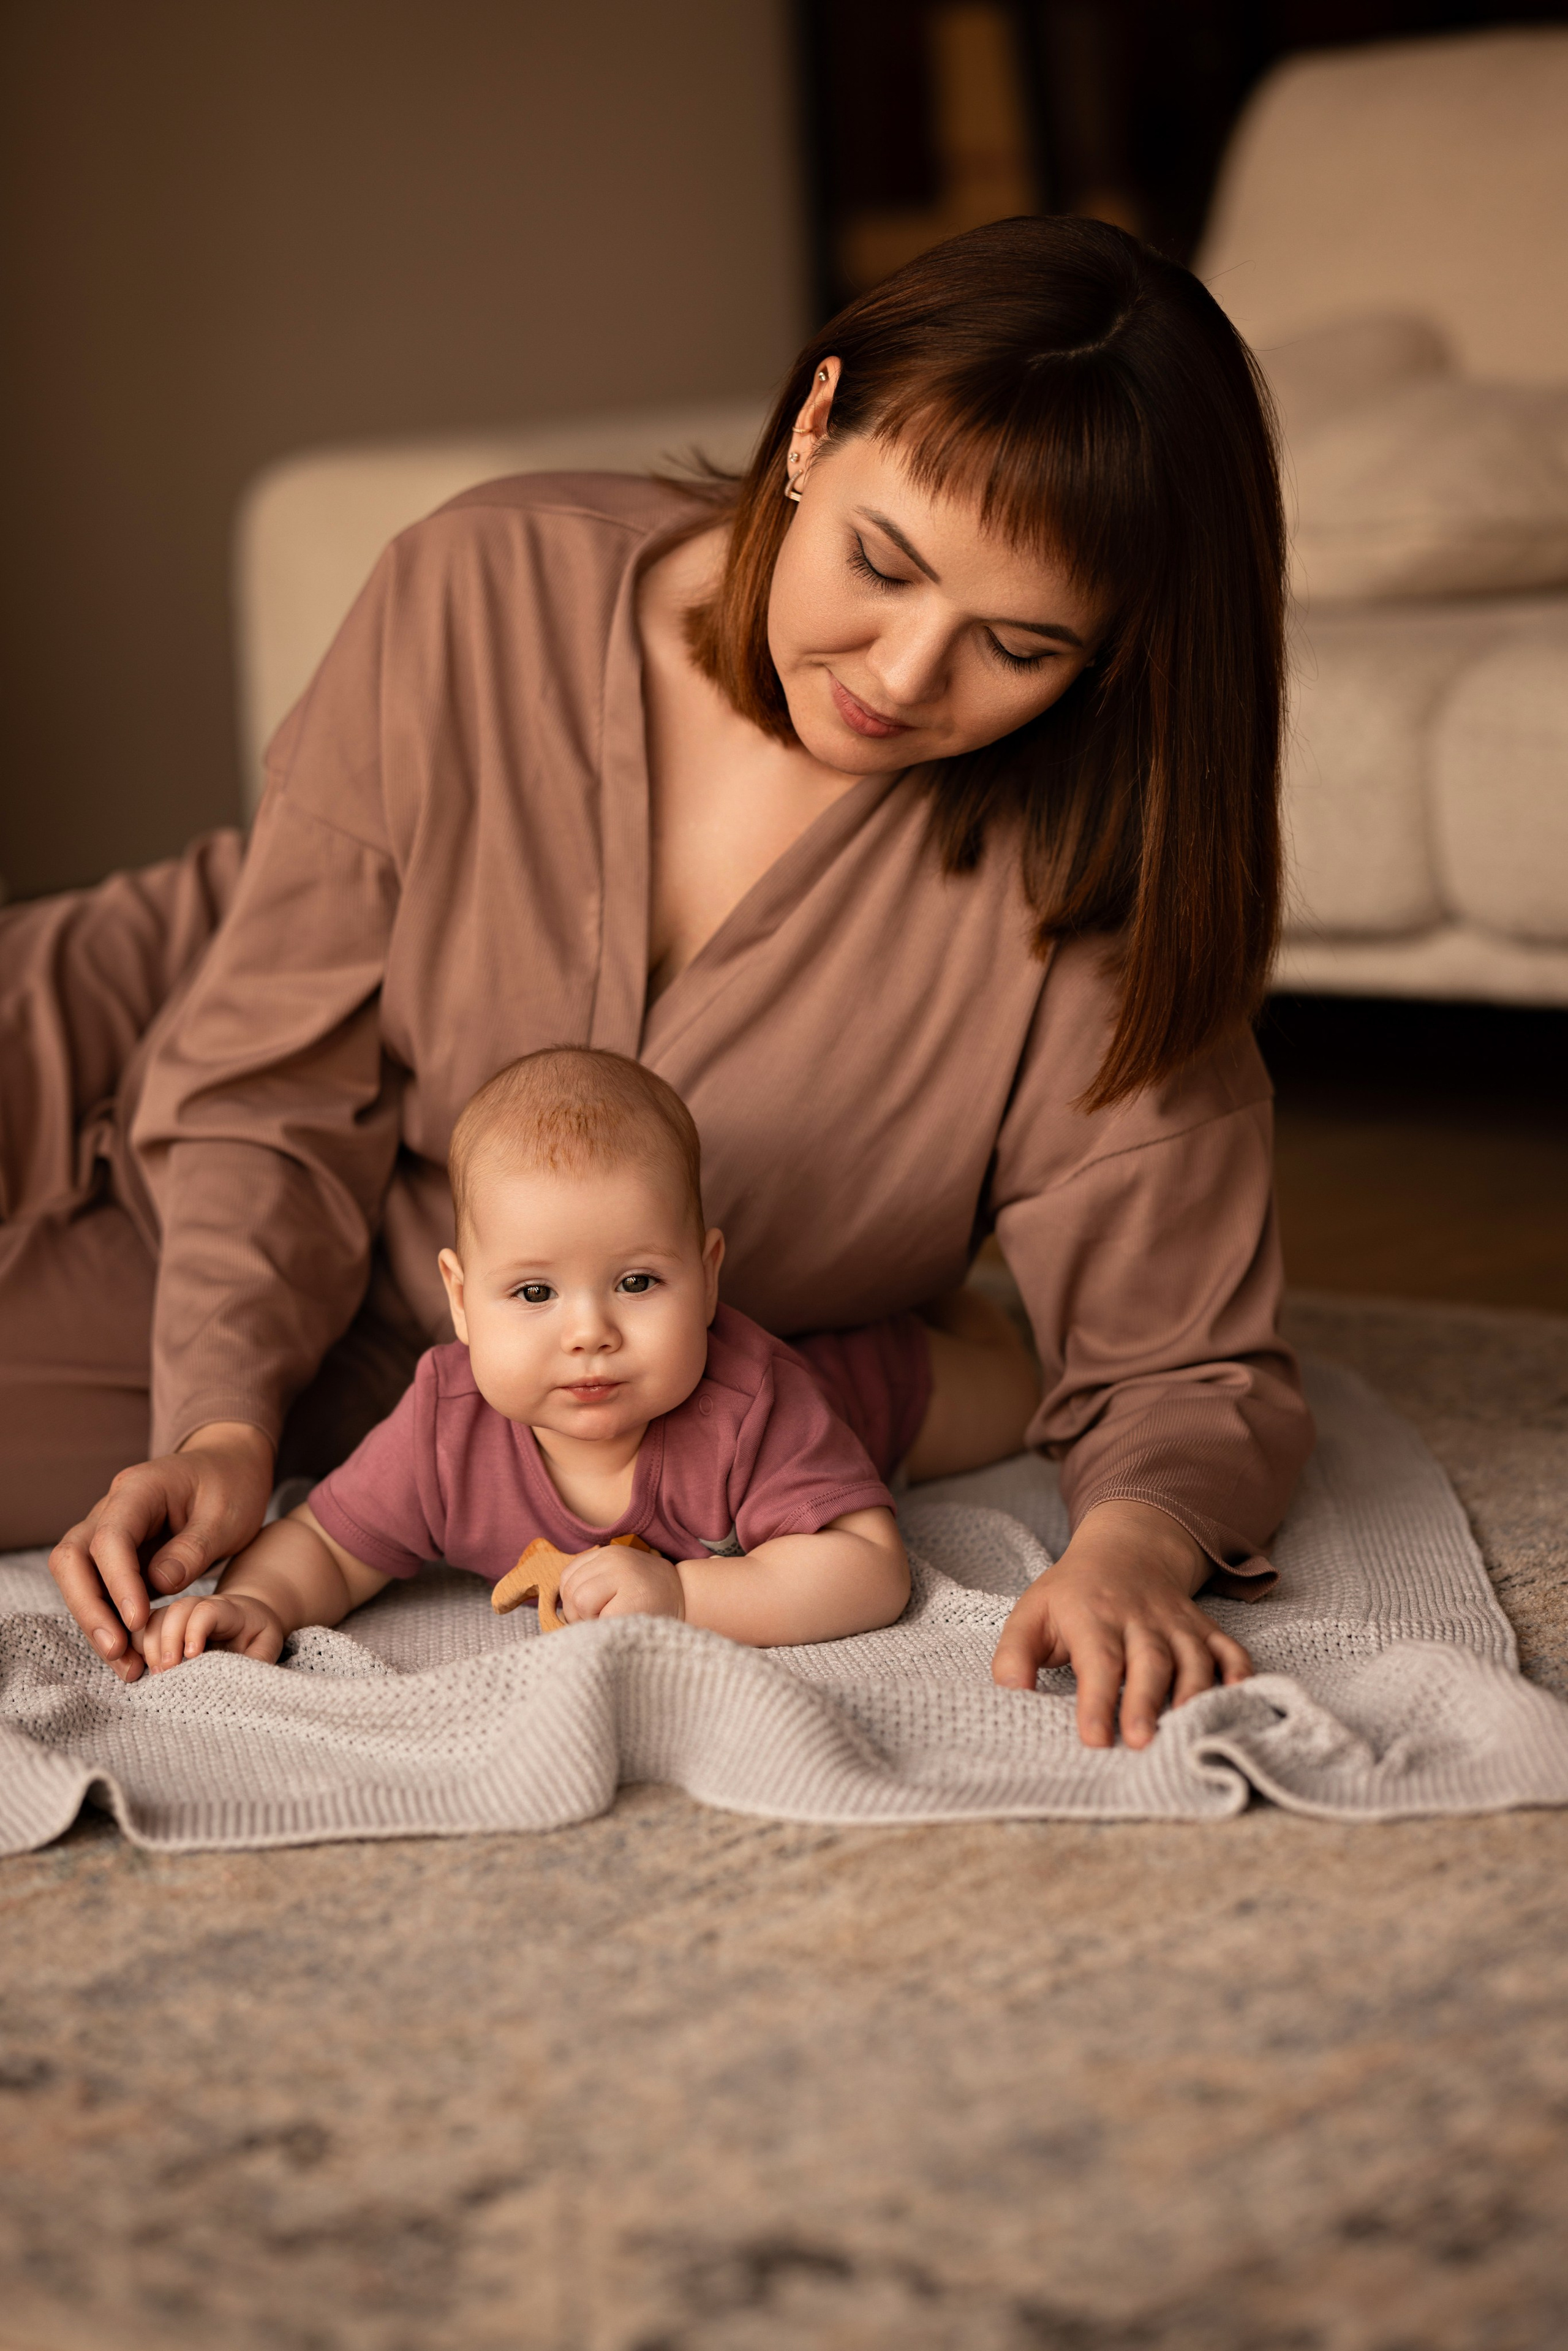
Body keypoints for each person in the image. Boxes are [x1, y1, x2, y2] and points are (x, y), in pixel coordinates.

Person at [9, 214, 1313, 1748]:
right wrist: (218, 1422)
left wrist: (1128, 1552)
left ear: (1112, 657)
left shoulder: (1087, 888)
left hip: (389, 1321)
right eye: (879, 565)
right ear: (813, 425)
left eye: (1016, 646)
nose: (900, 677)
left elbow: (1182, 1356)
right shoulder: (481, 583)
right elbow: (268, 1070)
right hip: (137, 1023)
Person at [131, 1047, 951, 1669]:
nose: (588, 1331)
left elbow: (871, 1569)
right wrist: (254, 1601)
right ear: (460, 1299)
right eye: (533, 1294)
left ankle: (971, 1320)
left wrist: (684, 1595)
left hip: (874, 1385)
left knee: (992, 1386)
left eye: (636, 1281)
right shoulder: (445, 1427)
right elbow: (326, 1543)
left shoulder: (752, 1401)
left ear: (707, 1278)